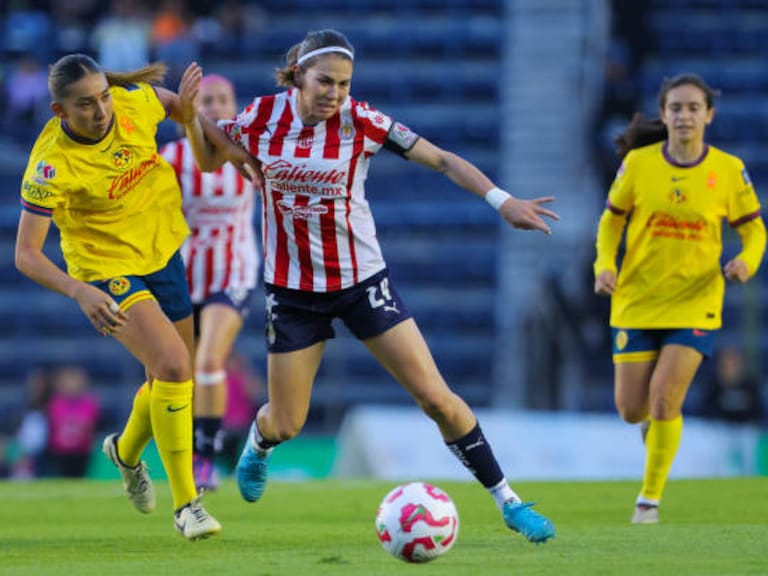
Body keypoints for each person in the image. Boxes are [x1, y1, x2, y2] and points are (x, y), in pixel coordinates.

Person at [184, 29, 559, 544]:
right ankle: (259, 444)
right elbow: (208, 157)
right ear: (297, 76)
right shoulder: (259, 118)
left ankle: (508, 501)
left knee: (435, 399)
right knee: (286, 423)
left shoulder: (363, 121)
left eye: (343, 84)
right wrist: (187, 112)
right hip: (293, 295)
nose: (335, 94)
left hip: (363, 282)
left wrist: (503, 201)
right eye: (325, 82)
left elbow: (443, 159)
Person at [15, 53, 258, 539]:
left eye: (103, 96)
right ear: (60, 111)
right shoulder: (50, 165)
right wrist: (79, 290)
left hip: (163, 250)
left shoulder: (134, 103)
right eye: (85, 104)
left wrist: (217, 140)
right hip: (107, 271)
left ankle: (124, 453)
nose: (101, 110)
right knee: (173, 368)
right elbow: (26, 255)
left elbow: (179, 109)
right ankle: (187, 503)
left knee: (171, 378)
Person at [593, 73, 767, 524]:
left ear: (708, 115)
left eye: (693, 108)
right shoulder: (639, 164)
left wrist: (748, 260)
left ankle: (648, 501)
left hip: (696, 300)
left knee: (666, 397)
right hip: (637, 299)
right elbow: (612, 220)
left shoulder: (728, 171)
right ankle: (654, 428)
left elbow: (754, 230)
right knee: (632, 410)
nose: (684, 115)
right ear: (664, 113)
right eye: (676, 107)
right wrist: (604, 265)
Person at [161, 74, 260, 491]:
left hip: (232, 271)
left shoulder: (247, 153)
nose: (215, 107)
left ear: (235, 107)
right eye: (206, 101)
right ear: (190, 108)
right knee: (176, 373)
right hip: (183, 274)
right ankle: (176, 455)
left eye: (223, 100)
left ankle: (206, 458)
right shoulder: (170, 158)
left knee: (208, 363)